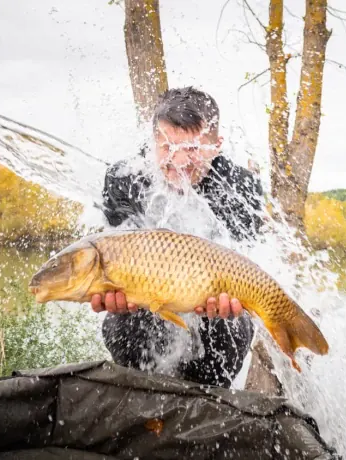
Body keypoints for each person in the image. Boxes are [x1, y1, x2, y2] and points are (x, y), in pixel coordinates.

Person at [92, 86, 266, 388]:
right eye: (167, 147)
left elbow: (250, 262)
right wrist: (112, 290)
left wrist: (233, 300)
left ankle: (208, 402)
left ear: (217, 145)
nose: (180, 161)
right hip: (145, 306)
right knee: (123, 327)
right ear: (153, 142)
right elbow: (111, 253)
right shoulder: (124, 179)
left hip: (215, 312)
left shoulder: (241, 187)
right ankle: (141, 394)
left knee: (233, 326)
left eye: (193, 148)